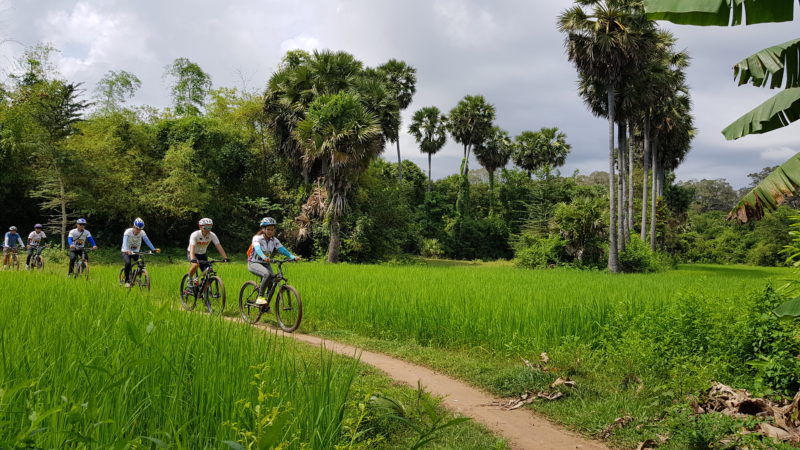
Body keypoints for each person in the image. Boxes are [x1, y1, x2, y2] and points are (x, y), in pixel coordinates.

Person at [248, 217, 299, 305]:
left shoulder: (274, 240)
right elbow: (257, 248)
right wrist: (263, 256)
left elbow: (282, 249)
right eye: (268, 229)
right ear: (263, 229)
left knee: (272, 280)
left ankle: (265, 304)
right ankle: (260, 297)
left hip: (266, 263)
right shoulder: (257, 238)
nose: (270, 231)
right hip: (254, 263)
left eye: (272, 229)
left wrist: (292, 256)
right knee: (267, 274)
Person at [121, 218, 160, 287]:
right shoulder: (128, 232)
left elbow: (147, 241)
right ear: (134, 226)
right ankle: (127, 281)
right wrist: (127, 250)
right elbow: (124, 242)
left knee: (141, 263)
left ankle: (137, 277)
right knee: (127, 263)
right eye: (137, 229)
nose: (138, 231)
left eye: (140, 229)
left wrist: (153, 249)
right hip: (126, 252)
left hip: (136, 252)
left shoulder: (142, 233)